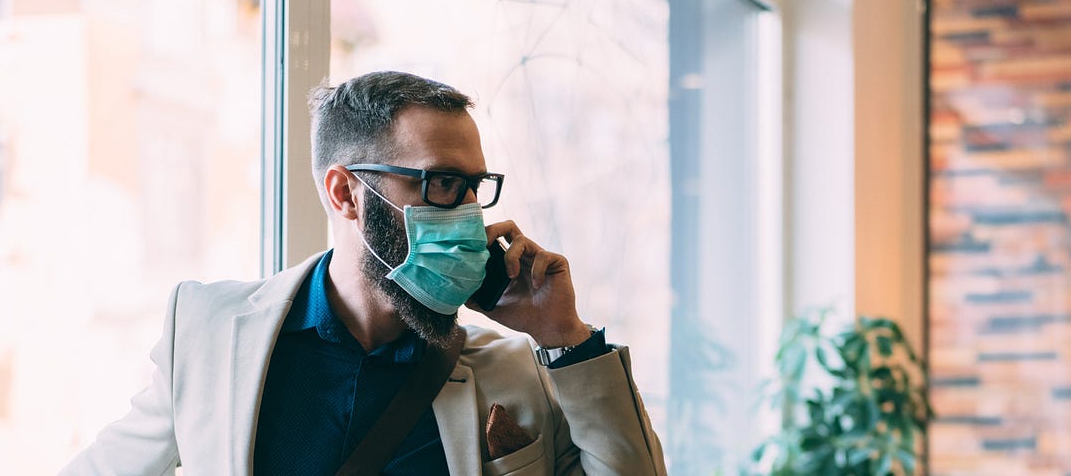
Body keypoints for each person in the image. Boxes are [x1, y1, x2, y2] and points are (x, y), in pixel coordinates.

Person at [61, 71, 666, 475]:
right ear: (346, 193)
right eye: (440, 184)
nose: (468, 215)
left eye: (474, 188)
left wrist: (566, 341)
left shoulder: (522, 368)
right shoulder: (208, 332)